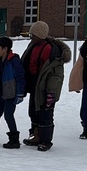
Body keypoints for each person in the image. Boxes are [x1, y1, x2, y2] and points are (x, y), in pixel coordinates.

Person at [21, 21, 72, 151]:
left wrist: (51, 92)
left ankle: (45, 140)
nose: (31, 37)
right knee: (34, 110)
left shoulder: (50, 50)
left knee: (45, 112)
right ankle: (36, 134)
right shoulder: (32, 46)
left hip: (45, 85)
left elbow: (54, 74)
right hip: (34, 83)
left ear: (40, 35)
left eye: (33, 35)